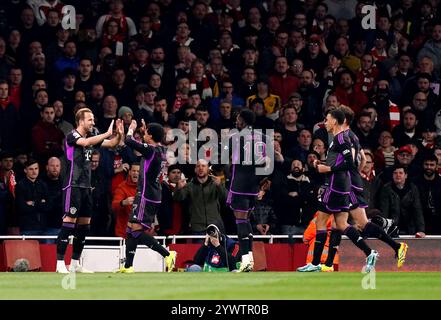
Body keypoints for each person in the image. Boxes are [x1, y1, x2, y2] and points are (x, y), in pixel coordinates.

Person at [319, 106, 408, 272]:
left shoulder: (346, 136)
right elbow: (361, 159)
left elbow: (352, 160)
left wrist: (347, 174)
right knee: (339, 224)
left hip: (348, 186)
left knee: (358, 223)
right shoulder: (351, 136)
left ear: (342, 120)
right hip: (351, 182)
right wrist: (357, 173)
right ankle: (329, 264)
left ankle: (395, 246)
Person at [297, 109, 378, 273]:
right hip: (342, 186)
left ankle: (314, 263)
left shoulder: (341, 138)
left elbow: (349, 164)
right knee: (341, 224)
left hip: (335, 186)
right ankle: (369, 252)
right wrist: (324, 162)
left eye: (327, 119)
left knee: (321, 222)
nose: (324, 122)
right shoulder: (341, 138)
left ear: (334, 121)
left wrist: (327, 168)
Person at [55, 108, 124, 274]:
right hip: (73, 185)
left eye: (93, 120)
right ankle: (59, 263)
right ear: (81, 121)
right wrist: (107, 133)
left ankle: (75, 263)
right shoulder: (72, 136)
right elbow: (85, 143)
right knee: (69, 223)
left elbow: (113, 144)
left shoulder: (91, 138)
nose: (93, 123)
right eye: (90, 120)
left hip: (86, 186)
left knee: (85, 226)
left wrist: (120, 134)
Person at [117, 119, 176, 273]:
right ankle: (128, 266)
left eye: (146, 132)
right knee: (130, 229)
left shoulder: (151, 150)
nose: (144, 134)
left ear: (150, 136)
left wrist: (131, 128)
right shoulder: (160, 150)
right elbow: (147, 142)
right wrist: (146, 132)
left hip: (146, 195)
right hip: (149, 193)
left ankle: (167, 254)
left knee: (136, 230)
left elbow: (129, 141)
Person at [226, 108, 269, 272]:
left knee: (240, 221)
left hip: (239, 185)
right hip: (253, 186)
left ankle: (245, 260)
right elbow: (267, 162)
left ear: (242, 120)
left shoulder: (236, 137)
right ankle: (249, 258)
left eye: (238, 118)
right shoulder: (264, 138)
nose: (236, 121)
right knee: (247, 221)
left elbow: (221, 156)